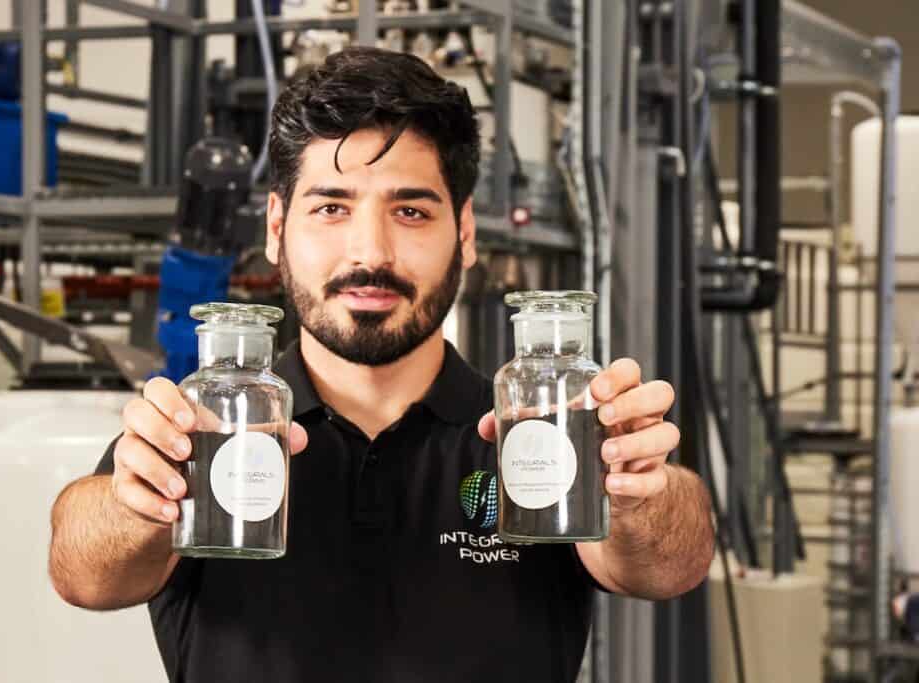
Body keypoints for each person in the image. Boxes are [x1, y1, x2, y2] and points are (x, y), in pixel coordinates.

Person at [49, 46, 714, 682]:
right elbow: (80, 568)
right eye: (332, 207)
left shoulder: (539, 435)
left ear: (466, 232)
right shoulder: (202, 439)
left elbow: (672, 563)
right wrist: (133, 505)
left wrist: (640, 492)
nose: (370, 250)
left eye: (411, 210)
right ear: (277, 228)